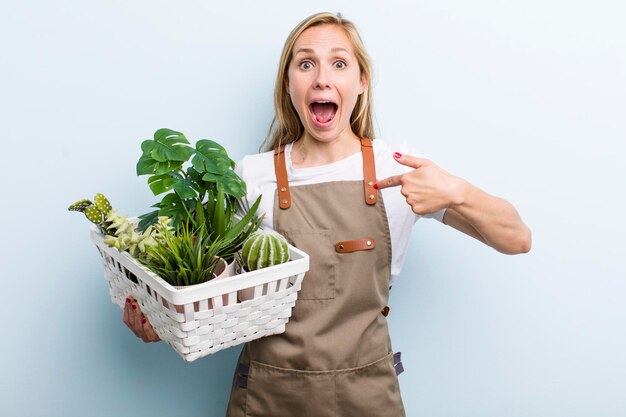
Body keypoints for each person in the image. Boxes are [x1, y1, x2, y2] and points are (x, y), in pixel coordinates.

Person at [123, 11, 531, 416]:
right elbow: (216, 289)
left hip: (366, 398)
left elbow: (517, 239)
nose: (322, 78)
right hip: (266, 398)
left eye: (339, 63)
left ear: (360, 82)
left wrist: (456, 191)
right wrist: (164, 321)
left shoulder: (398, 170)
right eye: (306, 64)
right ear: (289, 83)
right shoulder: (251, 175)